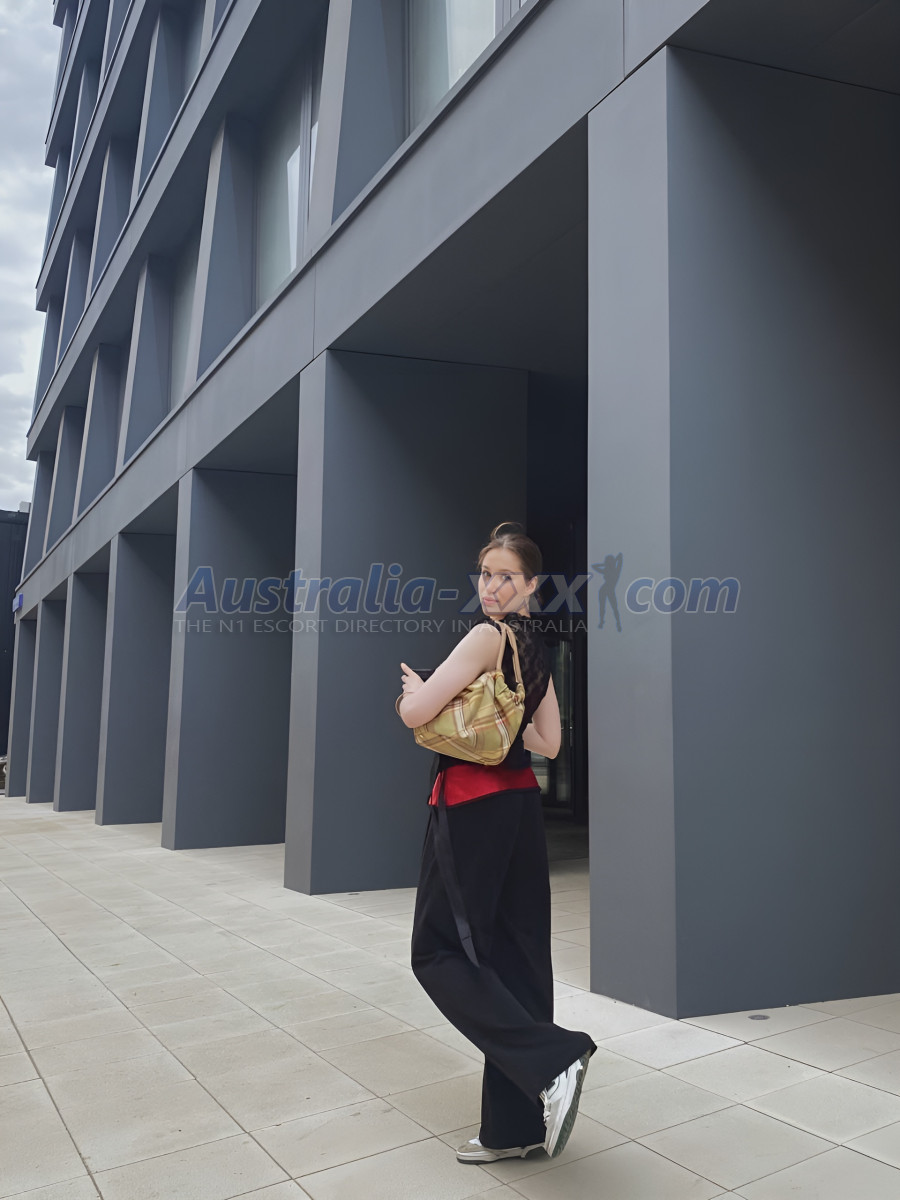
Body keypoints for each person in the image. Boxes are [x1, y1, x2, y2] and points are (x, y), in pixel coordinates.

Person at [396, 522, 596, 1164]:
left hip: (470, 805)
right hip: (519, 807)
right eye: (485, 573)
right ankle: (516, 1129)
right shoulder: (536, 649)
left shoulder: (487, 637)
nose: (492, 586)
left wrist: (417, 693)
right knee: (518, 957)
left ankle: (554, 1057)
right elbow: (549, 743)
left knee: (435, 950)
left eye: (506, 576)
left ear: (532, 585)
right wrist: (495, 721)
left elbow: (415, 714)